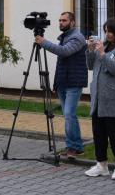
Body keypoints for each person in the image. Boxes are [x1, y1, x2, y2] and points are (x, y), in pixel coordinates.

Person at [84, 17, 115, 181]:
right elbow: (90, 66)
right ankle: (102, 165)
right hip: (98, 98)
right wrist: (90, 50)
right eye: (105, 31)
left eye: (110, 31)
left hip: (113, 99)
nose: (107, 34)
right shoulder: (103, 46)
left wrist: (103, 54)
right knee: (99, 134)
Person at [35, 12, 88, 157]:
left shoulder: (77, 37)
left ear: (72, 22)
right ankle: (73, 145)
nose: (61, 23)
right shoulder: (65, 37)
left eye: (64, 20)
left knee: (70, 114)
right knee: (68, 115)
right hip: (64, 81)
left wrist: (44, 42)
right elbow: (61, 64)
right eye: (59, 20)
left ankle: (76, 147)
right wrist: (56, 83)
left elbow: (64, 52)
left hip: (74, 82)